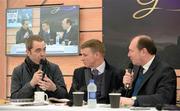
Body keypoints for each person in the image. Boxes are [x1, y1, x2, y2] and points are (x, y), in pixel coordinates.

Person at [120, 35, 176, 107]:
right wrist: (128, 87)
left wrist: (134, 101)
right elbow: (128, 98)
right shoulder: (136, 69)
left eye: (131, 51)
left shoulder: (166, 71)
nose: (128, 55)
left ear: (143, 51)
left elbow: (164, 98)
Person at [11, 35, 68, 99]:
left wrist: (54, 88)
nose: (42, 54)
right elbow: (14, 98)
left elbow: (65, 96)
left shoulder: (54, 68)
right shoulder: (18, 71)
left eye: (44, 49)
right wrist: (31, 84)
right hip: (27, 109)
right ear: (28, 52)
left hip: (49, 108)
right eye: (38, 50)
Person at [69, 39, 124, 104]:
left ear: (97, 55)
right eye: (81, 55)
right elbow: (71, 97)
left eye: (85, 55)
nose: (82, 59)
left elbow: (122, 98)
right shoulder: (78, 73)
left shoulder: (117, 73)